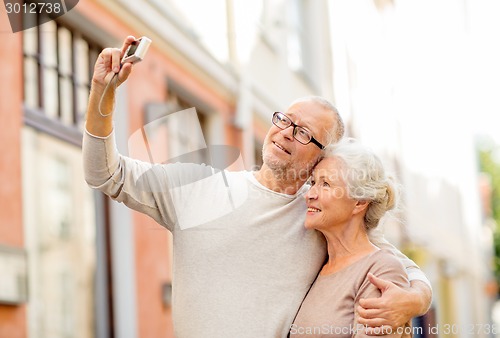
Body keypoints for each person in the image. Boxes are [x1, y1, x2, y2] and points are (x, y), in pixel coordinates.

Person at [83, 36, 431, 338]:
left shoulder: (319, 214)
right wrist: (102, 93)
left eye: (304, 133)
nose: (285, 133)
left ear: (322, 158)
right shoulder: (198, 188)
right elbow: (104, 172)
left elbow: (392, 263)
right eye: (284, 120)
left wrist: (416, 298)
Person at [290, 139, 412, 338]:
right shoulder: (317, 265)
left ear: (360, 203)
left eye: (326, 184)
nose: (309, 194)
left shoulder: (381, 270)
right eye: (313, 183)